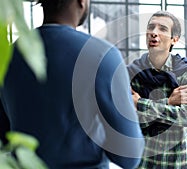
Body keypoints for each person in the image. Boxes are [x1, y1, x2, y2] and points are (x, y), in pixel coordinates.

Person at [0, 0, 144, 168]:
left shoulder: (8, 55)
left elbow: (4, 137)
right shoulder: (103, 55)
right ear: (81, 2)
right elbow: (129, 156)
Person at [127, 11, 187, 169]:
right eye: (151, 27)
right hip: (142, 162)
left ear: (175, 39)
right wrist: (168, 102)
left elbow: (185, 117)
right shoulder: (133, 72)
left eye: (162, 29)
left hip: (175, 162)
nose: (154, 33)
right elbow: (126, 114)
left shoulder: (186, 72)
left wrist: (141, 104)